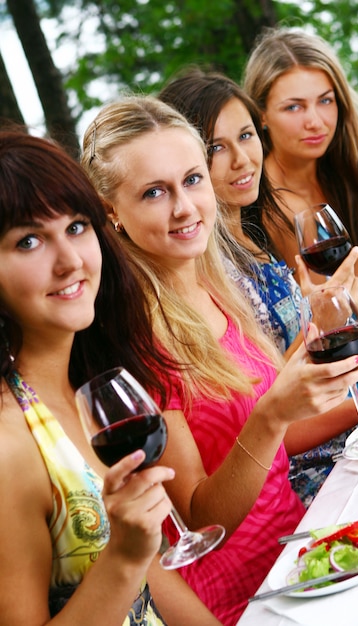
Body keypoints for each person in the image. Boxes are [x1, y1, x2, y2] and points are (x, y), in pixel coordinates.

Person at [80, 94, 358, 625]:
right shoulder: (132, 340)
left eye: (192, 180)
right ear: (111, 214)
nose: (185, 207)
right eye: (153, 192)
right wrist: (273, 414)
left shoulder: (216, 287)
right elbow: (199, 518)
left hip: (302, 549)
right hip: (249, 595)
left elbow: (271, 441)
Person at [0, 129, 223, 626]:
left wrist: (134, 549)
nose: (71, 261)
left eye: (77, 227)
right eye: (29, 240)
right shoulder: (9, 446)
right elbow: (129, 560)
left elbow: (151, 576)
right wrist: (122, 555)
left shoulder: (92, 383)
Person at [158, 66, 358, 505]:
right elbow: (270, 416)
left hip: (339, 437)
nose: (242, 159)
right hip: (302, 475)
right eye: (216, 148)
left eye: (247, 136)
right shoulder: (204, 271)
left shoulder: (251, 237)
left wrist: (327, 313)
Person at [243, 26, 358, 385]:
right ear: (261, 115)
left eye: (325, 100)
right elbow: (333, 314)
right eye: (294, 107)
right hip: (345, 364)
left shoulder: (340, 164)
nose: (316, 121)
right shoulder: (275, 204)